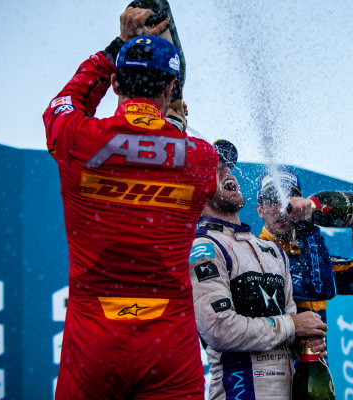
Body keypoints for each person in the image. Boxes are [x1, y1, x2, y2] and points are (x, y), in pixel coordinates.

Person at [43, 7, 217, 400]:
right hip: (169, 340)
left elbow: (64, 103)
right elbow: (165, 146)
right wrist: (170, 127)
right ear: (171, 89)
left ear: (116, 83)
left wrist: (114, 48)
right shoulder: (202, 159)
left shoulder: (76, 139)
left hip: (93, 338)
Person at [189, 141, 328, 400]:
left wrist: (303, 344)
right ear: (198, 189)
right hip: (239, 391)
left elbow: (290, 331)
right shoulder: (203, 246)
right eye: (215, 170)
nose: (228, 172)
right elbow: (219, 329)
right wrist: (291, 325)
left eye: (229, 167)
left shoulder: (274, 252)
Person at [256, 168, 353, 330]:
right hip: (274, 354)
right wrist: (305, 226)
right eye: (273, 201)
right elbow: (320, 288)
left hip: (317, 355)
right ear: (260, 209)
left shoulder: (307, 251)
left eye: (289, 199)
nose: (282, 208)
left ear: (301, 203)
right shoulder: (254, 254)